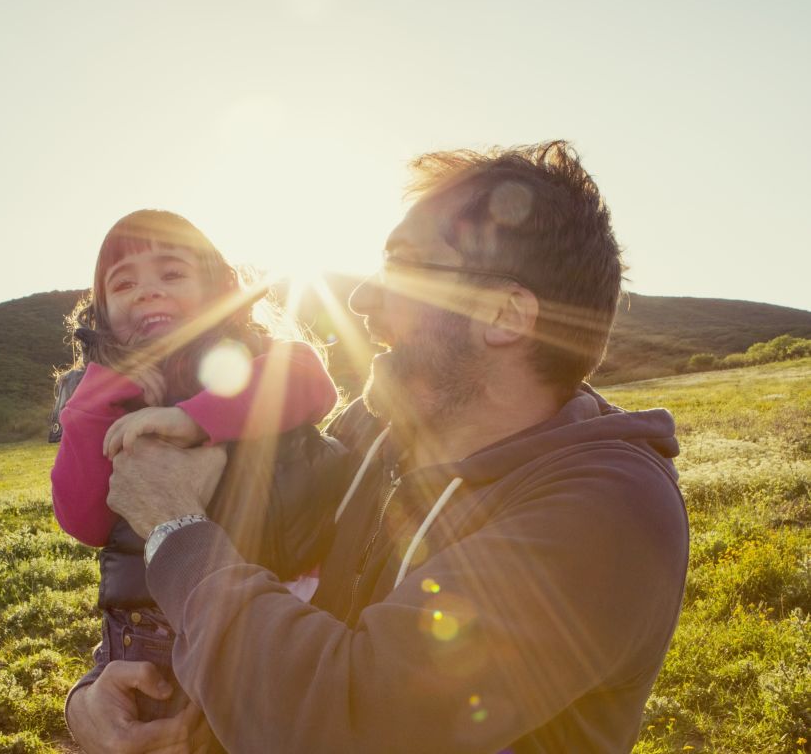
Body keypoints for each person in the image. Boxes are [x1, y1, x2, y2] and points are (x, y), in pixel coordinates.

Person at [66, 142, 690, 753]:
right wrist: (94, 696)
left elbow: (344, 722)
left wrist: (174, 526)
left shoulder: (609, 514)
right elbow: (252, 566)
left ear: (503, 315)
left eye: (405, 267)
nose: (363, 300)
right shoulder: (371, 427)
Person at [50, 210, 343, 730]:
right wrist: (94, 402)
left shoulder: (258, 355)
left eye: (172, 273)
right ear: (102, 311)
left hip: (276, 608)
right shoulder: (99, 396)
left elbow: (310, 382)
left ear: (218, 288)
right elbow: (83, 521)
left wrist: (193, 418)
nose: (147, 291)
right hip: (147, 638)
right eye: (125, 283)